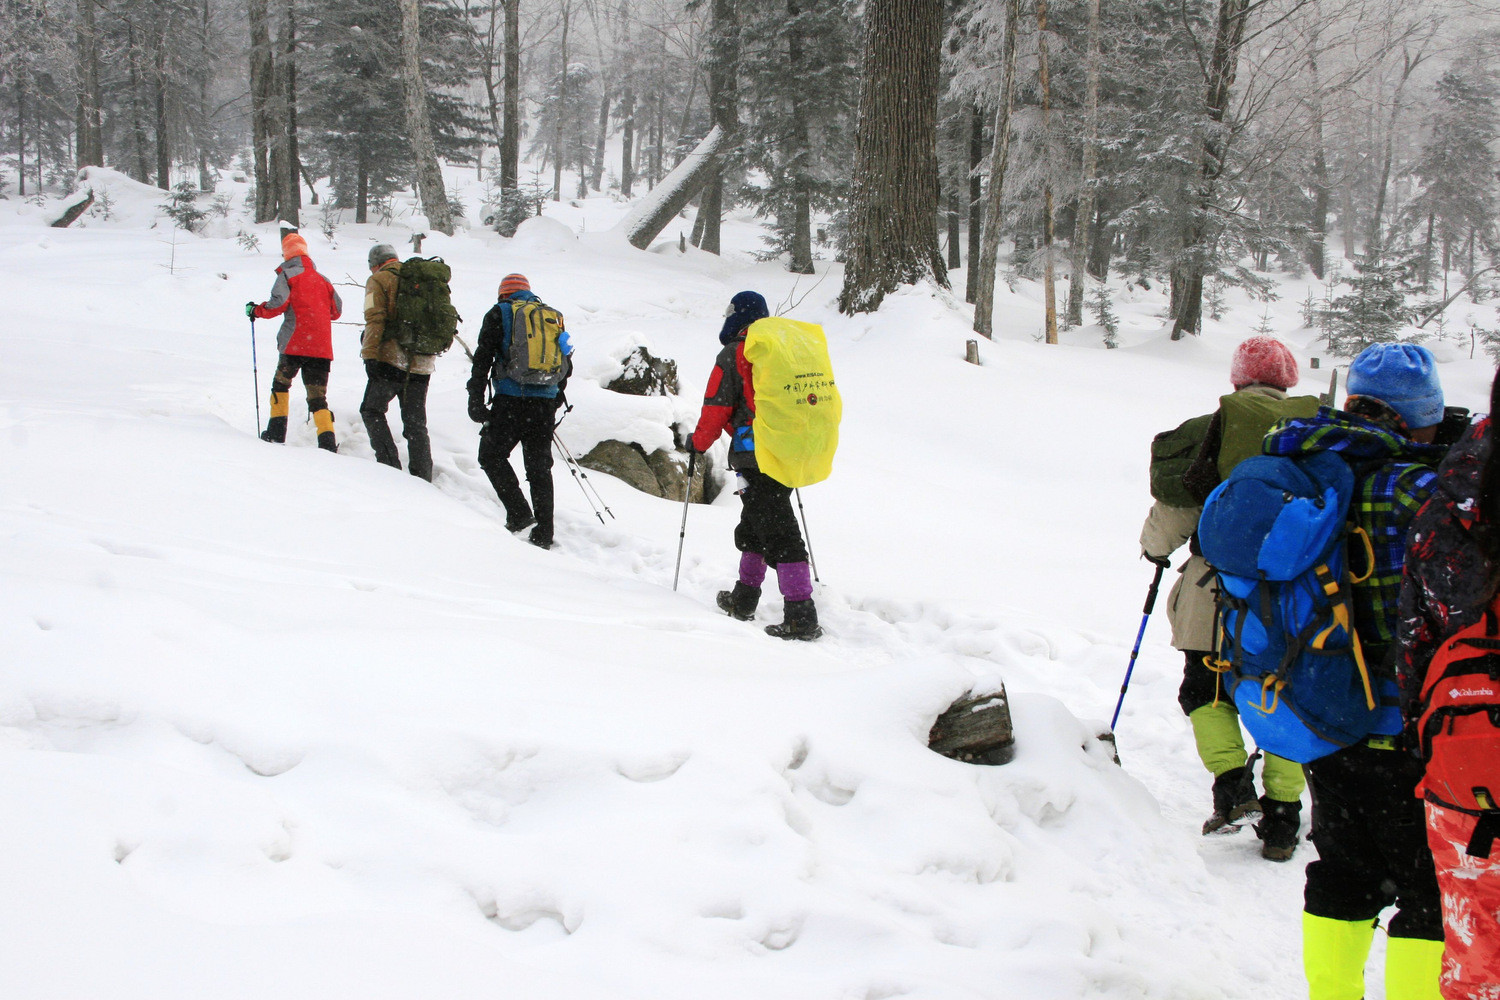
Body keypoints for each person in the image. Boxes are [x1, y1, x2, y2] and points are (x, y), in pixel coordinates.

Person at [1262, 342, 1447, 1000]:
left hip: (1323, 712)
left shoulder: (1303, 466)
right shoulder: (1423, 490)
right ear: (1421, 414)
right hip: (1406, 730)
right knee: (1429, 893)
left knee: (1343, 872)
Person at [1154, 335, 1311, 857]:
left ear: (1237, 379)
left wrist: (1154, 551)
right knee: (1282, 699)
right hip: (1291, 600)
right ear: (1288, 380)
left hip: (1211, 593)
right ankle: (1285, 816)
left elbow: (1174, 513)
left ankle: (1233, 790)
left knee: (1205, 692)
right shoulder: (1311, 434)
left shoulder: (1212, 433)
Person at [1400, 368, 1500, 1000]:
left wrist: (1421, 730)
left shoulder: (1454, 496)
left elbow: (1417, 635)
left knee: (1475, 951)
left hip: (1470, 761)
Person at [689, 291, 820, 641]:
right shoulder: (784, 348)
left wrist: (697, 443)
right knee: (755, 525)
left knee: (778, 529)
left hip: (756, 453)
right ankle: (743, 600)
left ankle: (800, 614)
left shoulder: (736, 352)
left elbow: (715, 407)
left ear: (736, 315)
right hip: (790, 448)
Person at [467, 273, 572, 550]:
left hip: (511, 401)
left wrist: (475, 399)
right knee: (539, 469)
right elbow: (566, 365)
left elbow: (482, 359)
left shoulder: (500, 313)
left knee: (490, 455)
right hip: (544, 405)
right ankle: (544, 534)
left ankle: (519, 513)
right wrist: (554, 397)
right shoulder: (552, 317)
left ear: (504, 294)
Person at [247, 230, 343, 451]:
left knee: (281, 385)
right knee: (318, 398)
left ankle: (276, 434)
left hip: (294, 344)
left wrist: (255, 310)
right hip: (321, 348)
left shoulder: (287, 276)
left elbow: (276, 306)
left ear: (287, 255)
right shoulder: (323, 280)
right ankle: (327, 444)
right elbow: (336, 311)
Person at [359, 244, 434, 481]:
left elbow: (375, 319)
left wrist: (369, 354)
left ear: (375, 264)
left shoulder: (380, 280)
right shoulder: (422, 279)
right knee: (415, 423)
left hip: (392, 359)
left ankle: (390, 469)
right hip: (422, 361)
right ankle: (423, 477)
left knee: (371, 410)